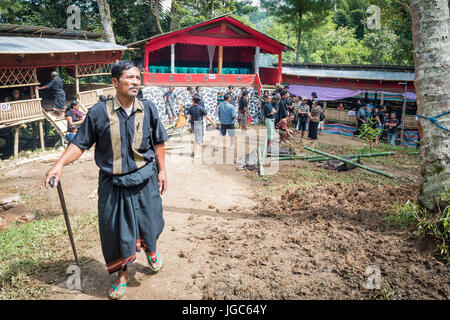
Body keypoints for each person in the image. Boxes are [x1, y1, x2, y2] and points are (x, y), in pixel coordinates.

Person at [44, 60, 168, 300]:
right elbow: (80, 143)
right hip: (114, 183)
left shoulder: (149, 108)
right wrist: (59, 164)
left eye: (137, 78)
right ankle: (121, 276)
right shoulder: (99, 113)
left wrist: (162, 171)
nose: (135, 82)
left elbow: (159, 142)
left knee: (151, 222)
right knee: (114, 232)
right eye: (129, 78)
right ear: (114, 82)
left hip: (146, 179)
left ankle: (152, 251)